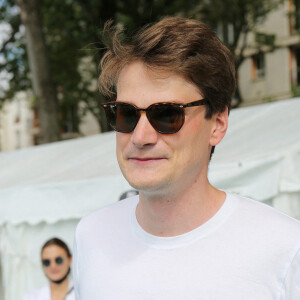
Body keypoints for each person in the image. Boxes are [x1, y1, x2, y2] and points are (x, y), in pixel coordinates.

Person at [73, 17, 300, 299]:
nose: (141, 136)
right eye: (125, 113)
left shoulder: (285, 249)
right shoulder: (92, 236)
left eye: (167, 114)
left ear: (217, 124)